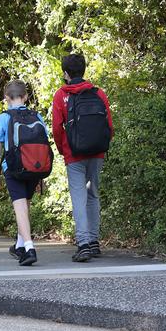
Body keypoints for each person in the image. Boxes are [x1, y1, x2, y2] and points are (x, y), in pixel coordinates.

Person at [52, 53, 113, 262]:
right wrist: (102, 146)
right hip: (97, 152)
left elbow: (57, 130)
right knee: (93, 194)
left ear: (66, 73)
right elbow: (109, 125)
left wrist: (63, 150)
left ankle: (83, 243)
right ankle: (94, 241)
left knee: (79, 197)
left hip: (74, 154)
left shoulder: (61, 95)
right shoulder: (98, 93)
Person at [0, 81, 47, 266]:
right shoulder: (36, 115)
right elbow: (44, 145)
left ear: (6, 98)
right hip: (34, 167)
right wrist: (41, 174)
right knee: (25, 205)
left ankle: (29, 248)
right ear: (25, 97)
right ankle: (19, 245)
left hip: (13, 168)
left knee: (20, 207)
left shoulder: (4, 117)